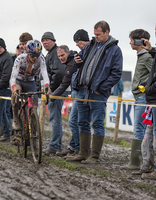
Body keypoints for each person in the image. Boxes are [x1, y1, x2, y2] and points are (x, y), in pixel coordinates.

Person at [67, 20, 123, 163]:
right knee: (82, 122)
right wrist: (77, 60)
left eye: (98, 34)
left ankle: (95, 156)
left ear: (106, 32)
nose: (96, 37)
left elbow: (116, 74)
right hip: (82, 90)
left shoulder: (115, 50)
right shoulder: (91, 45)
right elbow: (78, 62)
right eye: (95, 34)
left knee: (97, 123)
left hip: (98, 92)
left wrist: (101, 88)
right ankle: (83, 153)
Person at [121, 29, 153, 170]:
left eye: (132, 39)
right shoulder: (141, 55)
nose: (130, 42)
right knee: (141, 129)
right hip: (139, 96)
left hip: (143, 97)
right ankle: (138, 162)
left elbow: (154, 73)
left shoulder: (146, 57)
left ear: (140, 41)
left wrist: (145, 86)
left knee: (139, 129)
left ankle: (136, 163)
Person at [10, 39, 50, 131]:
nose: (35, 58)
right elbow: (13, 76)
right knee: (15, 94)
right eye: (32, 55)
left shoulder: (41, 59)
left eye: (37, 55)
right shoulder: (20, 58)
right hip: (19, 81)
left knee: (34, 107)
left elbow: (44, 73)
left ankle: (33, 127)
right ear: (27, 53)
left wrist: (47, 85)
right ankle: (15, 118)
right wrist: (13, 87)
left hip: (30, 82)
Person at [62, 29, 90, 158]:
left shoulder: (90, 51)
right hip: (77, 89)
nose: (77, 45)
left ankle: (81, 148)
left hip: (83, 90)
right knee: (76, 121)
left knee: (76, 121)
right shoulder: (81, 54)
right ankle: (76, 146)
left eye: (78, 42)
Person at [47, 45, 77, 156]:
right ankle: (73, 146)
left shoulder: (72, 62)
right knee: (74, 121)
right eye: (59, 56)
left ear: (68, 52)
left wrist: (52, 95)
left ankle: (76, 148)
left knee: (74, 121)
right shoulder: (68, 62)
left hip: (75, 92)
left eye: (63, 55)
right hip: (71, 91)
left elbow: (64, 83)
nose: (61, 58)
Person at [41, 32, 67, 154]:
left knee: (55, 118)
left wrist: (50, 88)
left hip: (56, 91)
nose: (45, 42)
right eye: (43, 41)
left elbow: (59, 73)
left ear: (53, 41)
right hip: (55, 90)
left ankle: (55, 145)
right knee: (54, 118)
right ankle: (55, 144)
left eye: (47, 40)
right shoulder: (50, 54)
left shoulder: (56, 53)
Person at [135, 39, 156, 179]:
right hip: (151, 100)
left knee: (153, 136)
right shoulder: (152, 54)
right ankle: (147, 166)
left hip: (153, 98)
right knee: (147, 135)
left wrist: (149, 88)